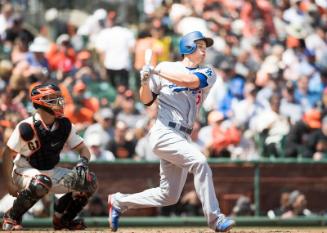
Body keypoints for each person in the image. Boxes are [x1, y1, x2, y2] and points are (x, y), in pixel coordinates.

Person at [107, 31, 235, 232]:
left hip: (183, 136)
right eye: (200, 46)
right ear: (187, 47)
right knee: (200, 162)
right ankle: (215, 218)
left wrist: (156, 72)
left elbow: (189, 81)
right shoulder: (166, 67)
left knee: (169, 196)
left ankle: (119, 202)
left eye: (204, 47)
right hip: (164, 131)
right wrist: (144, 81)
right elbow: (146, 99)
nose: (204, 51)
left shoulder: (208, 72)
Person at [1, 83, 98, 230]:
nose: (59, 102)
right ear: (40, 102)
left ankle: (62, 220)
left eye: (59, 98)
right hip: (24, 169)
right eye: (53, 99)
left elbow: (84, 149)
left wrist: (83, 163)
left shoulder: (65, 124)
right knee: (41, 183)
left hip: (50, 171)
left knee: (89, 181)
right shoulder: (27, 126)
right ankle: (12, 217)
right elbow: (8, 154)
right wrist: (9, 183)